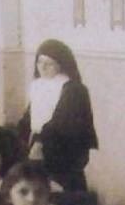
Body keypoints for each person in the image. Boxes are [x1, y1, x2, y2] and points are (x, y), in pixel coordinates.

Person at [16, 39, 98, 191]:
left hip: (61, 149)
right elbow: (28, 118)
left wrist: (40, 142)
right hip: (38, 145)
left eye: (50, 63)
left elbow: (62, 122)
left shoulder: (73, 89)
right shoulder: (38, 86)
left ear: (61, 65)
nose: (43, 67)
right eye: (40, 62)